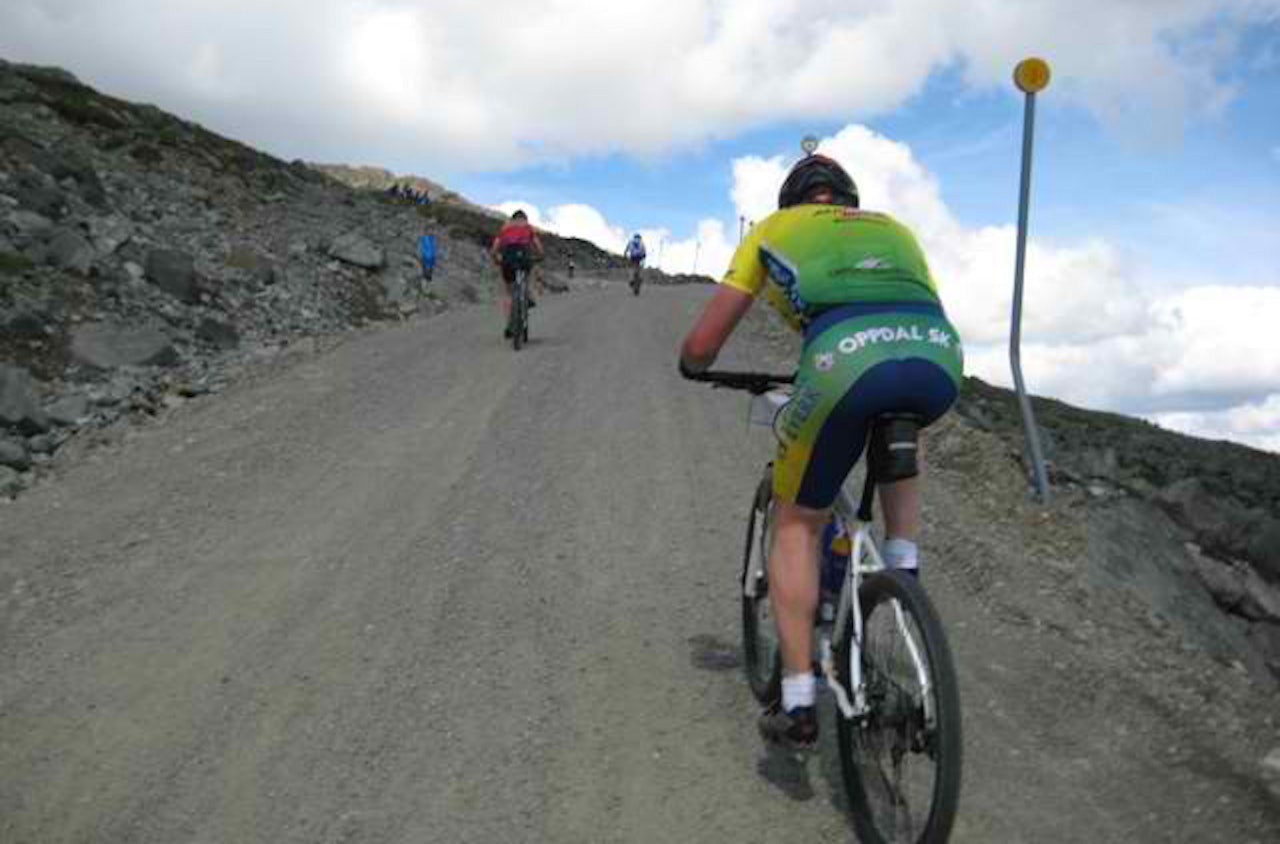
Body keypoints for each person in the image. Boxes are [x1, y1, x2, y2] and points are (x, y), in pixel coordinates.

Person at [677, 151, 964, 748]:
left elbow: (704, 342)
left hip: (844, 361)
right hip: (938, 358)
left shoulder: (773, 229)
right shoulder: (896, 229)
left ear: (792, 200)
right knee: (899, 423)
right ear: (849, 200)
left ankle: (799, 702)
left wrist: (693, 364)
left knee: (796, 523)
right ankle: (902, 573)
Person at [489, 210, 545, 338]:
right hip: (524, 258)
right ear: (524, 218)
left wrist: (496, 259)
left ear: (512, 218)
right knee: (526, 279)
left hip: (508, 260)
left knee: (509, 293)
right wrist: (541, 256)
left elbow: (494, 248)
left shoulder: (505, 228)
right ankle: (527, 297)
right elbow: (538, 246)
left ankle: (509, 325)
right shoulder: (528, 228)